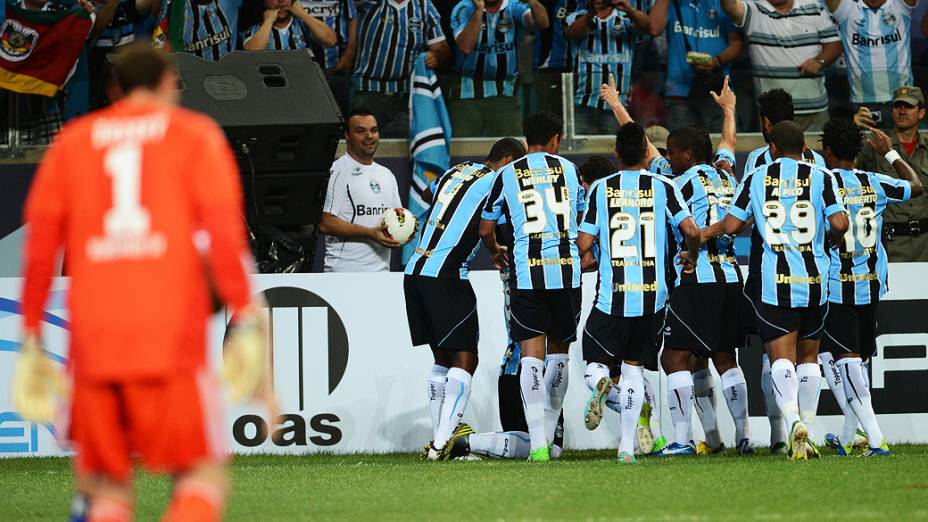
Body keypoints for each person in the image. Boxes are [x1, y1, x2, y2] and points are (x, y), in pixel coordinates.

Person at [14, 45, 266, 522]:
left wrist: (30, 333)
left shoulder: (73, 141)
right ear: (170, 82)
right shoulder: (195, 136)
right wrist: (248, 316)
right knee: (200, 478)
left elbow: (42, 247)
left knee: (107, 492)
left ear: (112, 88)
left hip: (95, 343)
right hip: (171, 337)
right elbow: (225, 237)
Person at [702, 121, 850, 461]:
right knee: (809, 357)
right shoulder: (821, 175)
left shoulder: (758, 176)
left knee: (780, 357)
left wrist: (703, 235)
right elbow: (841, 223)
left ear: (771, 148)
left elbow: (732, 225)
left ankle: (793, 421)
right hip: (815, 281)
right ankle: (808, 430)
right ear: (804, 147)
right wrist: (825, 242)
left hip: (775, 284)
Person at [579, 122, 701, 464]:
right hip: (653, 299)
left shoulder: (601, 189)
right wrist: (690, 254)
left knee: (594, 364)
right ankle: (626, 449)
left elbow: (584, 243)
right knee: (635, 371)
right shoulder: (663, 185)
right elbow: (691, 230)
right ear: (647, 153)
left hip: (612, 298)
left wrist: (592, 255)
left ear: (617, 153)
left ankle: (603, 383)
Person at [406, 138, 527, 460]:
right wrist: (496, 251)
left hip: (415, 270)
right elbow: (494, 231)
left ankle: (441, 439)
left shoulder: (456, 171)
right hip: (447, 275)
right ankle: (441, 444)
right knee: (465, 360)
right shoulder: (499, 182)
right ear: (510, 160)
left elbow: (431, 197)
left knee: (442, 360)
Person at [479, 111, 585, 462]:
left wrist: (496, 251)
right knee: (559, 353)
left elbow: (485, 227)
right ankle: (553, 439)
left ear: (527, 141)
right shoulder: (569, 170)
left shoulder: (508, 174)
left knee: (531, 356)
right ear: (556, 138)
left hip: (528, 273)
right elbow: (581, 222)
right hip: (567, 275)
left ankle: (537, 442)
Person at [819, 119, 924, 457]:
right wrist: (890, 151)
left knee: (841, 359)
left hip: (837, 286)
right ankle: (850, 436)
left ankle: (876, 439)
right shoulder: (873, 182)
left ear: (828, 150)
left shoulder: (821, 182)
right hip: (871, 284)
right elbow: (916, 186)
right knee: (858, 360)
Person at [659, 115, 754, 458]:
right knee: (725, 357)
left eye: (670, 152)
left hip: (696, 278)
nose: (666, 158)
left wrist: (693, 250)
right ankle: (741, 436)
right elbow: (744, 219)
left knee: (674, 357)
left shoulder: (679, 183)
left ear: (686, 154)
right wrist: (730, 111)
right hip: (730, 277)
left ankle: (683, 440)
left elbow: (688, 231)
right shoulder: (729, 178)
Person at [720, 0, 842, 131]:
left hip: (814, 110)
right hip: (772, 114)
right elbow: (730, 6)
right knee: (771, 152)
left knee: (818, 151)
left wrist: (819, 62)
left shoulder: (814, 8)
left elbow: (834, 44)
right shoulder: (754, 9)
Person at [319, 109, 409, 272]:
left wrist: (406, 228)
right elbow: (325, 223)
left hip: (381, 274)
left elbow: (396, 217)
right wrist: (370, 233)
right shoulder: (338, 171)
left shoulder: (386, 175)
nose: (369, 136)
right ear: (347, 135)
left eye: (373, 130)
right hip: (344, 273)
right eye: (361, 131)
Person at [351, 0, 451, 138]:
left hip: (406, 96)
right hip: (368, 92)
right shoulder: (372, 3)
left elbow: (442, 48)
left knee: (402, 154)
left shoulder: (424, 6)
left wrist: (436, 56)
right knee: (363, 149)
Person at [450, 0, 549, 137]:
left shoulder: (514, 7)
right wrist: (479, 10)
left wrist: (532, 1)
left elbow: (542, 24)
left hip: (505, 95)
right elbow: (466, 46)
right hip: (467, 97)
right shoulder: (464, 8)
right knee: (465, 152)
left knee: (511, 151)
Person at [855, 86, 928, 262]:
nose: (902, 111)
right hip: (890, 242)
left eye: (909, 106)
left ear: (921, 113)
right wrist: (853, 130)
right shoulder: (875, 144)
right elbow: (845, 167)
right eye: (897, 106)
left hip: (925, 244)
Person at [648, 0, 744, 132]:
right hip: (679, 92)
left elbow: (737, 43)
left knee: (723, 148)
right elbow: (654, 28)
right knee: (682, 150)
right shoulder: (673, 4)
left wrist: (717, 60)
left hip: (718, 92)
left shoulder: (723, 4)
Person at [564, 0, 652, 135]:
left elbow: (647, 27)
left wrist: (629, 9)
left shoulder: (626, 18)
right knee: (578, 147)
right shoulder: (576, 17)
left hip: (617, 103)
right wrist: (591, 14)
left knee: (612, 148)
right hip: (582, 100)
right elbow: (571, 33)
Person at [827, 0, 918, 128]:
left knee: (899, 147)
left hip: (901, 100)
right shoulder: (848, 11)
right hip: (861, 103)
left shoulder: (900, 6)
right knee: (863, 147)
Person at [302, 0, 358, 115]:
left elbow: (352, 17)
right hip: (303, 66)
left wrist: (350, 52)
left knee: (340, 114)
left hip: (336, 64)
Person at [530, 0, 579, 114]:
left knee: (569, 116)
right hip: (543, 67)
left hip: (573, 67)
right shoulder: (536, 4)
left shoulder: (576, 3)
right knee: (546, 116)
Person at [153, 0, 243, 61]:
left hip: (230, 77)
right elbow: (157, 45)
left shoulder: (229, 2)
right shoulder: (172, 6)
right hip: (190, 80)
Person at [243, 0, 337, 51]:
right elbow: (253, 51)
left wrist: (303, 13)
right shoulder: (257, 29)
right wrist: (268, 21)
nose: (281, 1)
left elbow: (331, 41)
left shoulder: (302, 25)